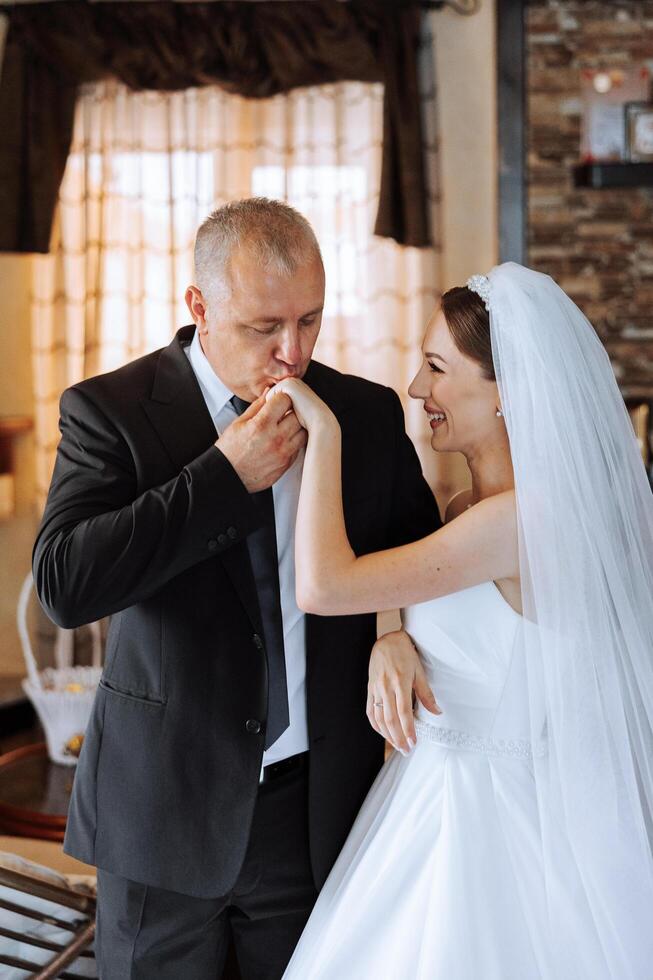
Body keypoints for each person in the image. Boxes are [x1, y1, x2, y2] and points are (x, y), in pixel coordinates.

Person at [32, 198, 440, 979]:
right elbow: (65, 583)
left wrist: (392, 628)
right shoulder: (110, 412)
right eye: (265, 328)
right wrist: (221, 478)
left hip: (315, 808)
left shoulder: (362, 412)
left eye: (310, 322)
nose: (293, 352)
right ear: (199, 307)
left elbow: (414, 556)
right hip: (161, 812)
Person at [274, 262, 653, 980]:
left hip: (489, 829)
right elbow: (411, 577)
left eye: (437, 369)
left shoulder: (521, 522)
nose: (418, 390)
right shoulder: (466, 516)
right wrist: (392, 633)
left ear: (507, 391)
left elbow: (324, 586)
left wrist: (324, 429)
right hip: (427, 795)